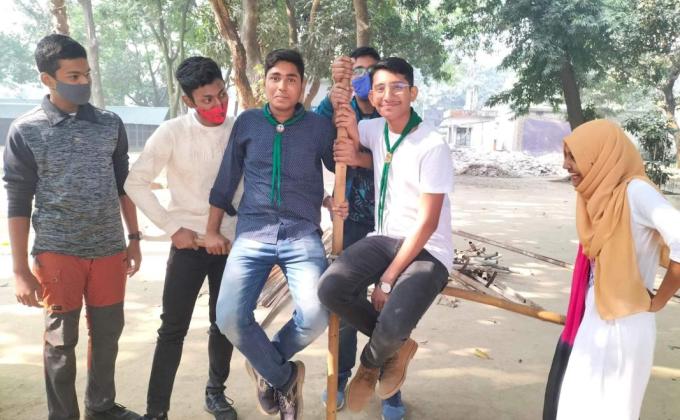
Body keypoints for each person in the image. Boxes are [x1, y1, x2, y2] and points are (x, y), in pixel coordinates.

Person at [3, 34, 142, 420]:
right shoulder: (26, 130)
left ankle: (101, 407)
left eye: (87, 75)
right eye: (74, 76)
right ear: (47, 79)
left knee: (108, 336)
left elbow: (123, 185)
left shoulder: (110, 124)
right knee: (61, 344)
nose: (84, 82)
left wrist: (133, 238)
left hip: (109, 251)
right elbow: (17, 202)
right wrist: (20, 270)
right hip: (58, 253)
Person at [317, 57, 454, 413]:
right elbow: (346, 125)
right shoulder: (376, 128)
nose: (387, 95)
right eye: (380, 88)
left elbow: (427, 223)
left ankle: (370, 364)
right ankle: (397, 347)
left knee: (392, 321)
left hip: (428, 249)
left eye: (397, 87)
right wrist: (339, 89)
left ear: (413, 93)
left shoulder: (432, 145)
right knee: (330, 288)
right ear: (372, 95)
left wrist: (388, 279)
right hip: (383, 238)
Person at [206, 49, 335, 420]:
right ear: (264, 82)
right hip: (253, 233)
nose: (282, 86)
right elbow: (227, 178)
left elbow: (341, 163)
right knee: (228, 317)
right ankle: (284, 376)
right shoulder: (247, 123)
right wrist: (212, 229)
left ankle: (266, 367)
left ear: (302, 86)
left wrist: (346, 131)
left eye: (291, 79)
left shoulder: (318, 127)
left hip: (301, 233)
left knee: (315, 316)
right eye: (275, 77)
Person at [125, 56, 240, 420]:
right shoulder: (172, 132)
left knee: (223, 325)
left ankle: (216, 393)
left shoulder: (240, 129)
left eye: (222, 94)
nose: (219, 104)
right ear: (189, 100)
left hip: (231, 246)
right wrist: (173, 229)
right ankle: (156, 410)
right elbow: (135, 182)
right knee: (173, 329)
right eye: (207, 99)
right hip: (188, 246)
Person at [543, 119, 680, 420]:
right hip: (595, 319)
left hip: (625, 327)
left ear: (600, 155)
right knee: (574, 410)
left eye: (574, 156)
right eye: (565, 156)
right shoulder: (598, 199)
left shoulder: (636, 192)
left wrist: (659, 300)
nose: (566, 165)